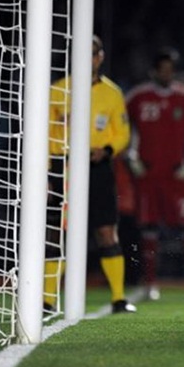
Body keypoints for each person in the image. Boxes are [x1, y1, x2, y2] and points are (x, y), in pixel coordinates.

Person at [44, 35, 136, 314]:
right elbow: (48, 133)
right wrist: (48, 171)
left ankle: (118, 298)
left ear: (100, 57)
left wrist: (107, 149)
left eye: (94, 54)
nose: (90, 59)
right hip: (65, 165)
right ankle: (46, 300)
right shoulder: (58, 90)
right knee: (58, 232)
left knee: (106, 231)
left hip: (98, 166)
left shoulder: (112, 93)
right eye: (84, 54)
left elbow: (123, 133)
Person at [125, 48, 184, 300]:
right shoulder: (138, 97)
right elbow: (122, 124)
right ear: (153, 71)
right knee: (149, 228)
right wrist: (131, 154)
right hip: (148, 174)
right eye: (162, 69)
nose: (166, 74)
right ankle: (149, 286)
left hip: (177, 176)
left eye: (170, 69)